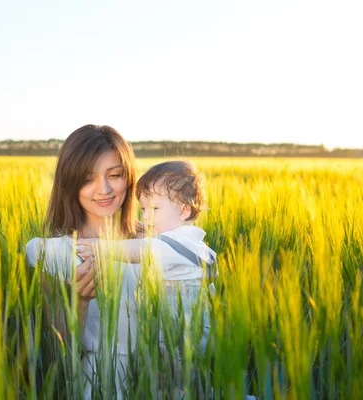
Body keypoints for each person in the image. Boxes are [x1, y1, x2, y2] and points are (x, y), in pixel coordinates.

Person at [24, 124, 141, 399]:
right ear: (70, 183)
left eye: (115, 175)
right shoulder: (47, 253)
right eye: (88, 179)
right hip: (101, 386)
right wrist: (78, 303)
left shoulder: (157, 242)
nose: (104, 189)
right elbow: (53, 355)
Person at [76, 160, 218, 354]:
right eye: (143, 209)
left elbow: (144, 250)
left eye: (154, 209)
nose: (146, 217)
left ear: (184, 211)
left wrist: (102, 247)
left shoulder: (184, 243)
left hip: (185, 337)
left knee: (178, 377)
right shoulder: (176, 242)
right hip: (167, 332)